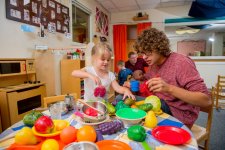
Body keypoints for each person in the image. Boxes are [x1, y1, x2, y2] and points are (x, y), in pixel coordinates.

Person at [132, 27, 211, 128]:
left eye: (147, 51)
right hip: (161, 107)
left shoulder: (181, 62)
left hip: (179, 114)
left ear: (158, 46)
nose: (144, 57)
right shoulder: (153, 64)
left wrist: (169, 88)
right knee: (123, 98)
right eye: (142, 53)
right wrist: (134, 83)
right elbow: (147, 82)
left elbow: (205, 100)